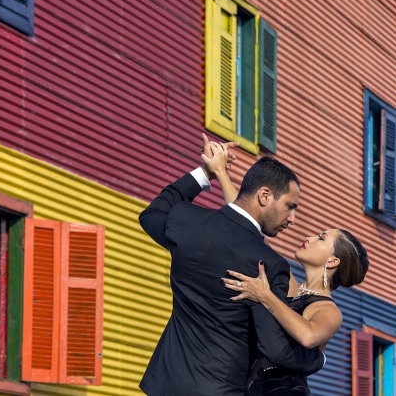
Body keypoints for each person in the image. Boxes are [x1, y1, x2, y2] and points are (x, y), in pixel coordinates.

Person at [138, 135, 325, 395]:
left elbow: (151, 215)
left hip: (164, 385)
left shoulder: (186, 221)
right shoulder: (269, 264)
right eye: (290, 207)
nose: (292, 219)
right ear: (264, 195)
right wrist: (319, 358)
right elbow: (276, 348)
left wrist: (205, 172)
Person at [218, 164, 369, 394]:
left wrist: (265, 296)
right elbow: (248, 223)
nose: (308, 237)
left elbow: (308, 336)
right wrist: (220, 172)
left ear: (332, 261)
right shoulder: (290, 285)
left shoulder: (328, 310)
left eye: (320, 238)